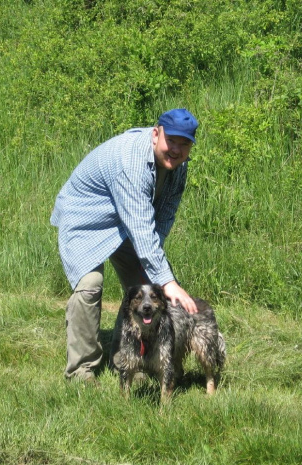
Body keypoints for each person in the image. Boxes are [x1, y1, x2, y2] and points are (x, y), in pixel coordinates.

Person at [50, 108, 199, 382]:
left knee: (145, 289)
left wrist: (153, 268)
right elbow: (142, 227)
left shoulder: (178, 165)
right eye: (172, 140)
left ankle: (130, 361)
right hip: (86, 219)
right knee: (90, 286)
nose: (177, 149)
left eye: (185, 143)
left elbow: (165, 214)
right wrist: (167, 281)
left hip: (126, 223)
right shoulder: (130, 162)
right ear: (156, 134)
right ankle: (81, 370)